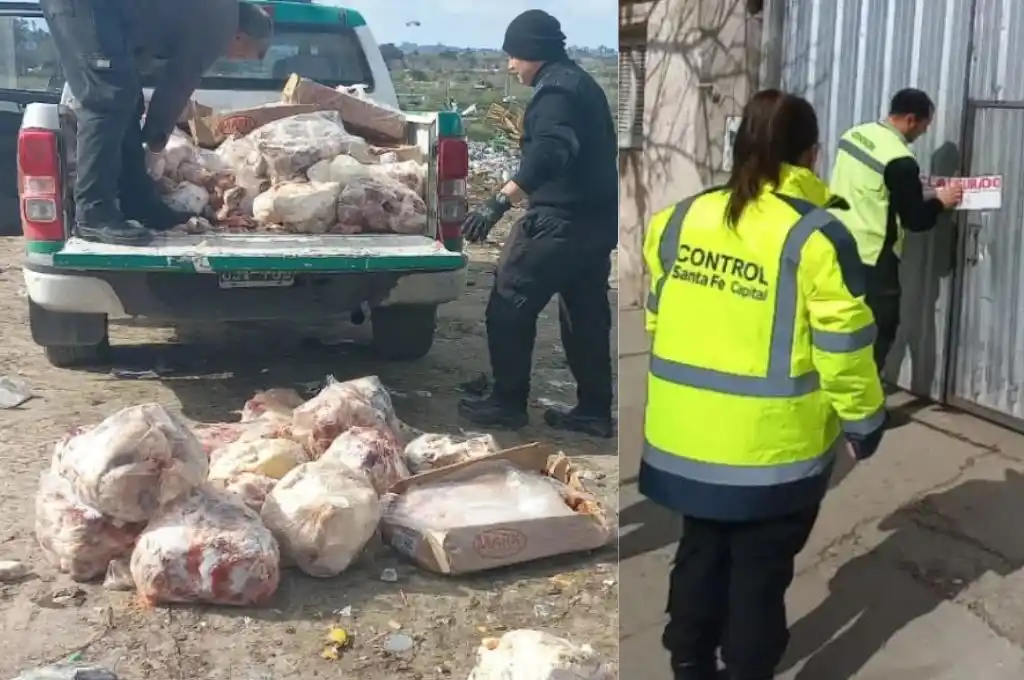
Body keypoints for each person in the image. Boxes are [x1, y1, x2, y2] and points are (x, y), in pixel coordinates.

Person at [638, 90, 887, 680]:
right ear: (811, 154)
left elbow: (658, 315)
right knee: (759, 571)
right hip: (772, 451)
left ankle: (689, 659)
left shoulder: (678, 219)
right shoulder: (816, 235)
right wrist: (865, 422)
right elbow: (843, 350)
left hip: (684, 438)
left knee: (700, 550)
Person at [457, 9, 617, 437]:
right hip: (597, 222)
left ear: (533, 52)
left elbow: (551, 152)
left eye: (513, 56)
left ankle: (507, 403)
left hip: (558, 222)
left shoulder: (556, 94)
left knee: (509, 300)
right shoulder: (580, 83)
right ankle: (594, 411)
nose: (511, 65)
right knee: (585, 314)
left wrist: (499, 202)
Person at [40, 0, 273, 246]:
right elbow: (177, 84)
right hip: (87, 7)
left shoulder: (207, 13)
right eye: (241, 55)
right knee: (108, 98)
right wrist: (156, 142)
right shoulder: (219, 21)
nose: (231, 58)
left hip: (103, 13)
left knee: (126, 98)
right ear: (239, 37)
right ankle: (93, 214)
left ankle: (139, 203)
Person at [829, 88, 962, 371]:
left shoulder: (853, 135)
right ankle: (864, 393)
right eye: (924, 126)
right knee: (880, 328)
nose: (923, 133)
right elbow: (915, 219)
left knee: (837, 322)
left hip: (835, 245)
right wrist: (942, 202)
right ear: (911, 120)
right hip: (873, 256)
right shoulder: (900, 160)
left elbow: (871, 185)